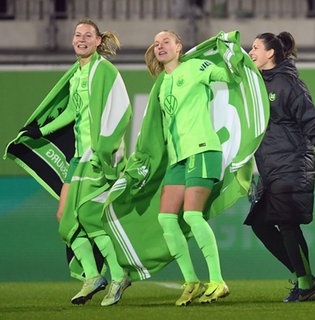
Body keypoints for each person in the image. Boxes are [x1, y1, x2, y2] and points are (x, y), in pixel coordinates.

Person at [20, 18, 132, 306]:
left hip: (96, 156)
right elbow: (72, 110)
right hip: (77, 158)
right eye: (77, 34)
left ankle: (118, 274)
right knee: (64, 220)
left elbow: (122, 109)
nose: (81, 39)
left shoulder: (104, 70)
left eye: (87, 35)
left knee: (87, 216)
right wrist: (40, 131)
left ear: (98, 42)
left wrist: (105, 149)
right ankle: (94, 276)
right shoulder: (76, 75)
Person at [246, 31, 315, 303]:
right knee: (261, 223)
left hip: (292, 163)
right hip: (273, 167)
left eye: (256, 47)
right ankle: (304, 277)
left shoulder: (288, 84)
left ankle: (305, 284)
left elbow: (312, 121)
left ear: (271, 53)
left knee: (287, 223)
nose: (250, 52)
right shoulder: (258, 84)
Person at [144, 30, 232, 306]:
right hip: (177, 158)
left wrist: (232, 55)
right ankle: (191, 280)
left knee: (193, 215)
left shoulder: (195, 67)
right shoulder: (162, 84)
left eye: (166, 42)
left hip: (203, 149)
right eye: (156, 43)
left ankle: (217, 281)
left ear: (179, 47)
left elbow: (226, 76)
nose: (160, 46)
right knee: (166, 219)